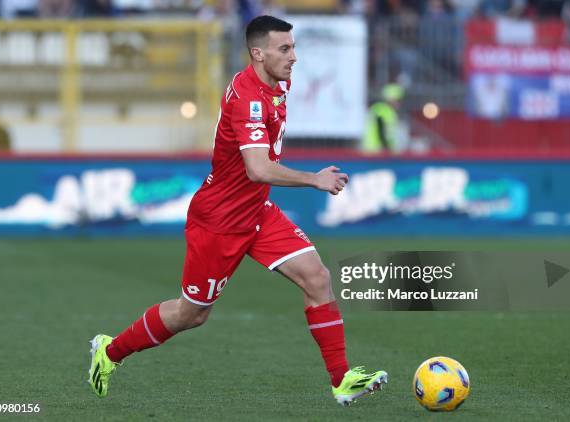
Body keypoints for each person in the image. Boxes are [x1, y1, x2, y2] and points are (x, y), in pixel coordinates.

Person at [87, 15, 387, 406]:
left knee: (317, 277)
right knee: (190, 315)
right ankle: (109, 353)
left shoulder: (277, 82)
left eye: (294, 47)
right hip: (219, 221)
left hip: (256, 212)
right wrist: (313, 179)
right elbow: (258, 168)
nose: (294, 57)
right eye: (285, 49)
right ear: (257, 54)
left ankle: (342, 379)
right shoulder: (248, 98)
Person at [363, 83, 405, 153]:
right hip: (377, 151)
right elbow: (381, 131)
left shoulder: (385, 110)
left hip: (377, 150)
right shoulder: (382, 110)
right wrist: (386, 148)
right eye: (398, 100)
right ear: (391, 99)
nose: (399, 103)